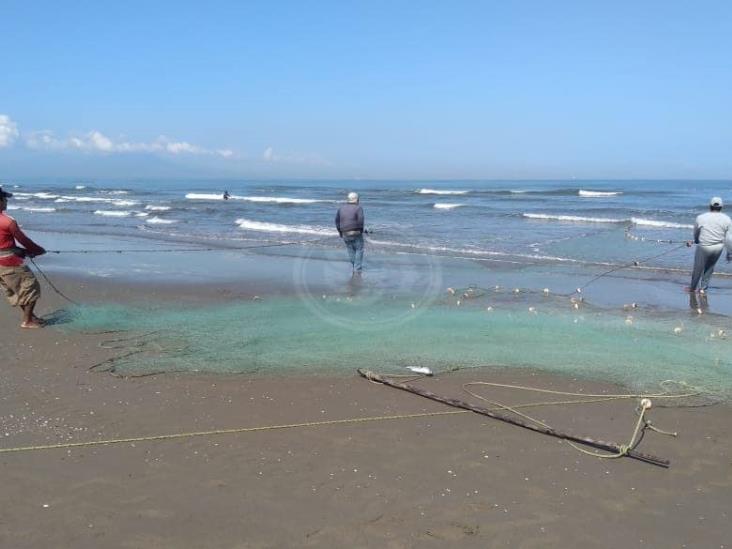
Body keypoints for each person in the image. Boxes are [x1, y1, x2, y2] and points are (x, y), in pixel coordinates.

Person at [0, 186, 46, 328]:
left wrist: (20, 251)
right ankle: (27, 321)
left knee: (17, 289)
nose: (6, 201)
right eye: (4, 198)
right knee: (31, 286)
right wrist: (38, 250)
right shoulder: (8, 221)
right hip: (9, 262)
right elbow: (24, 240)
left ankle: (30, 316)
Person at [687, 196, 732, 293]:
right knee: (709, 268)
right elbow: (728, 238)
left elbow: (696, 232)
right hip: (718, 248)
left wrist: (695, 240)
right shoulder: (727, 219)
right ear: (721, 207)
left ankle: (692, 288)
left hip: (704, 247)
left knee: (698, 268)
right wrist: (729, 253)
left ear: (710, 206)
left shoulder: (701, 217)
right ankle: (703, 288)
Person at [335, 192, 364, 273]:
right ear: (357, 199)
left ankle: (354, 266)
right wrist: (361, 230)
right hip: (355, 232)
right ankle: (357, 269)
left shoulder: (341, 208)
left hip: (344, 232)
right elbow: (361, 220)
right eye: (358, 199)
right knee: (359, 249)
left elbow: (337, 221)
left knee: (350, 249)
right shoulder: (358, 208)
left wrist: (340, 231)